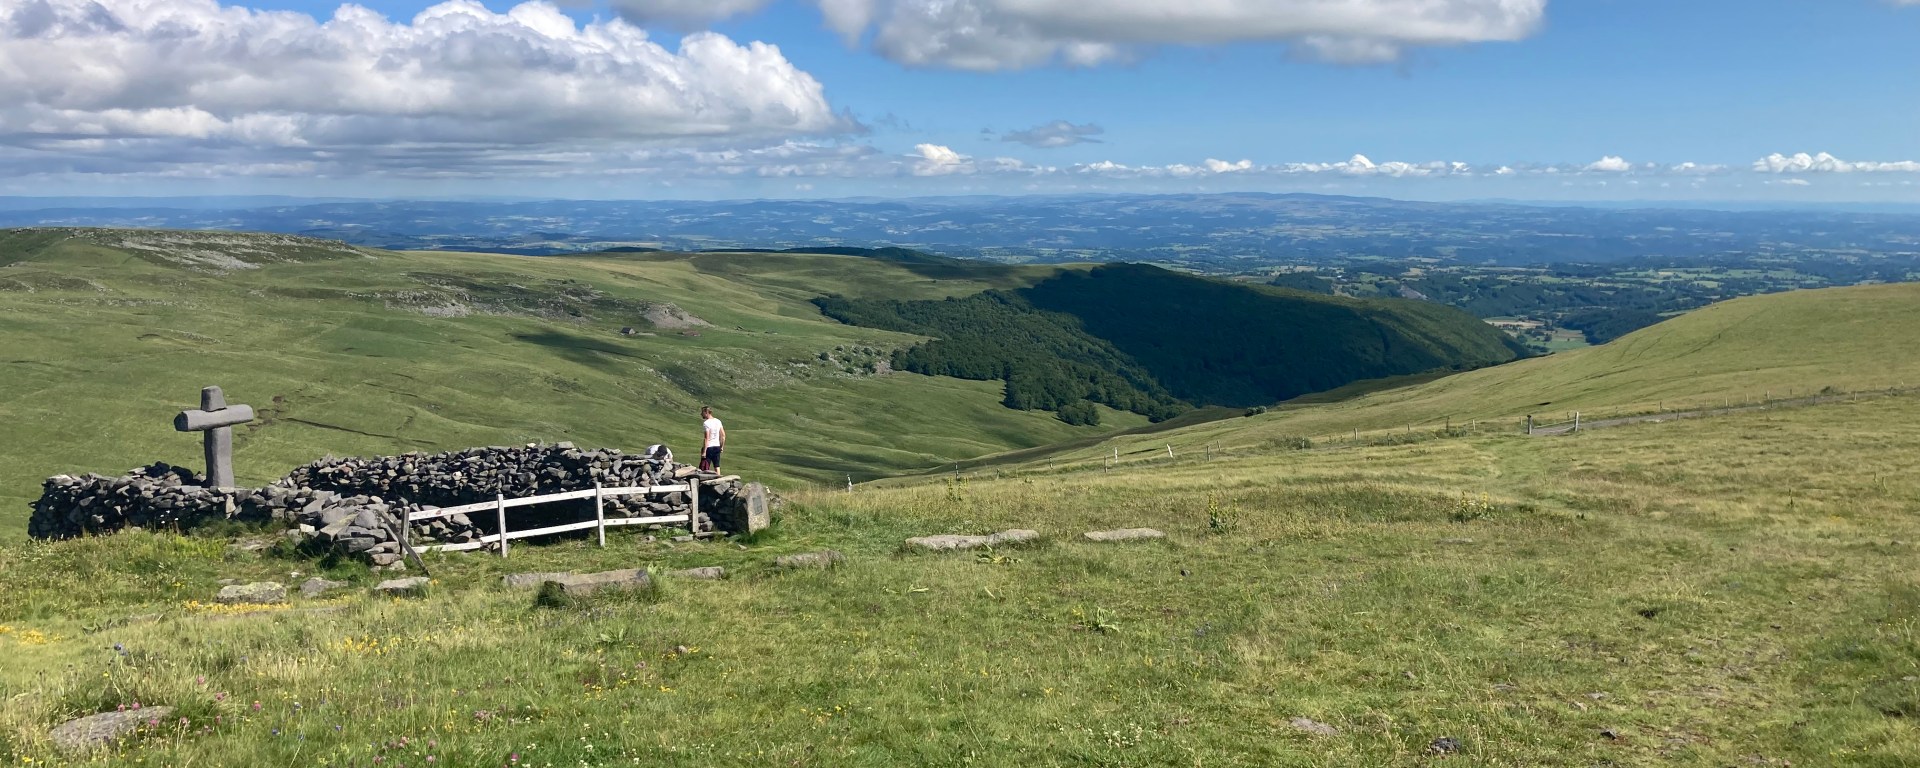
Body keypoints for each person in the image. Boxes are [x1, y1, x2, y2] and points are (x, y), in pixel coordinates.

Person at [698, 406, 725, 471]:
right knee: (717, 466)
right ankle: (719, 477)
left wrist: (704, 451)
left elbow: (706, 438)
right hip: (717, 446)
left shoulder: (706, 423)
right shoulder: (718, 421)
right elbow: (723, 435)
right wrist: (721, 446)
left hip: (709, 447)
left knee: (705, 466)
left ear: (706, 412)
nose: (701, 414)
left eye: (702, 412)